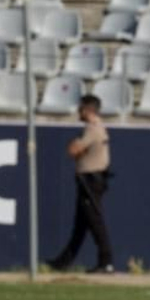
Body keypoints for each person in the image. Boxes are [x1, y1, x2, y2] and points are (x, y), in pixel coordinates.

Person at [49, 94, 114, 274]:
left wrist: (77, 148)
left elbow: (73, 150)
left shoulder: (92, 129)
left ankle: (106, 262)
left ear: (87, 110)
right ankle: (63, 262)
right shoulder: (97, 127)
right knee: (81, 226)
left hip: (91, 180)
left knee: (95, 222)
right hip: (90, 180)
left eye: (81, 108)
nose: (78, 111)